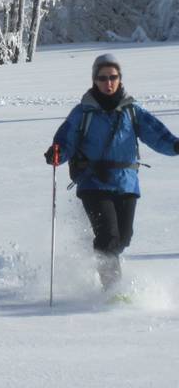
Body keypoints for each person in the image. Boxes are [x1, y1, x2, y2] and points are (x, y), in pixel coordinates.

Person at [45, 53, 179, 291]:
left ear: (120, 78)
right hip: (93, 183)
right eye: (103, 78)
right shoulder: (83, 112)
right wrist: (57, 153)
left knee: (122, 238)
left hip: (127, 183)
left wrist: (175, 145)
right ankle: (113, 290)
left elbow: (156, 134)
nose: (109, 82)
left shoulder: (132, 111)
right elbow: (66, 139)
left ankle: (100, 257)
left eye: (113, 77)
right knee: (108, 239)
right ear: (94, 80)